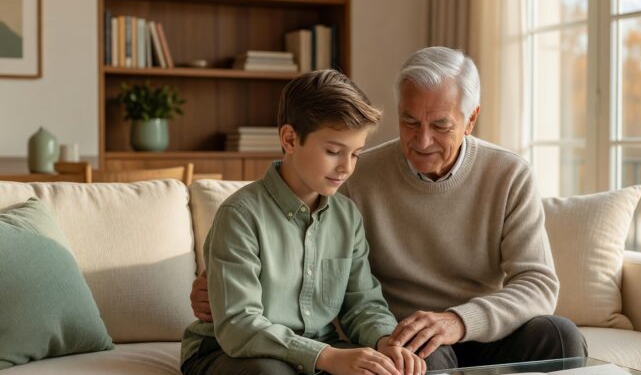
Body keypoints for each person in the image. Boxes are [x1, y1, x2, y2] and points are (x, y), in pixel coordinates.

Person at [191, 47, 588, 370]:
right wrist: (216, 282)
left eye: (441, 126)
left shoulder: (509, 174)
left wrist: (458, 321)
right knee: (421, 357)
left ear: (471, 120)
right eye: (410, 122)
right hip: (407, 334)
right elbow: (294, 244)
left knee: (561, 336)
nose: (423, 140)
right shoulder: (351, 180)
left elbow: (538, 285)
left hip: (477, 327)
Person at [180, 70, 428, 375]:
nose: (346, 167)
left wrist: (386, 341)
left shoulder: (346, 217)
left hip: (319, 350)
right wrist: (324, 356)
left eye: (356, 154)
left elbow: (362, 303)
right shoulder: (240, 215)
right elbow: (238, 326)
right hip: (229, 352)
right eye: (333, 151)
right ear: (290, 139)